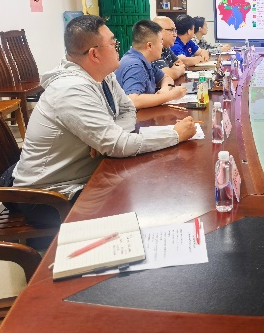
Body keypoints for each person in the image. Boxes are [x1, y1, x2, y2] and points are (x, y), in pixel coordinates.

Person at [12, 15, 196, 223]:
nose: (119, 48)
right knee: (145, 202)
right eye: (113, 43)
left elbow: (128, 109)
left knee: (151, 187)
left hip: (84, 176)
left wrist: (110, 134)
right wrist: (174, 135)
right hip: (50, 196)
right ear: (94, 54)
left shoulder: (104, 76)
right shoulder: (71, 90)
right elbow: (118, 145)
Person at [115, 19, 187, 109]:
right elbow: (133, 100)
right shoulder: (135, 65)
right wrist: (170, 95)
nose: (162, 47)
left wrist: (164, 89)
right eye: (160, 42)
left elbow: (166, 78)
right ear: (149, 45)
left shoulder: (144, 60)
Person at [152, 16, 186, 80]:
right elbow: (167, 76)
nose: (175, 35)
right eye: (171, 30)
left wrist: (172, 70)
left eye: (175, 31)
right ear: (157, 31)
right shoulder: (152, 49)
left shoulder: (166, 48)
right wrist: (175, 71)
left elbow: (180, 63)